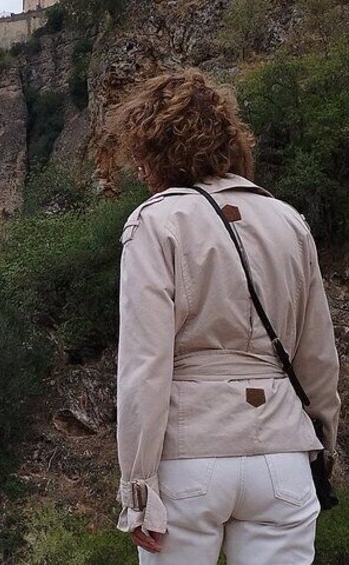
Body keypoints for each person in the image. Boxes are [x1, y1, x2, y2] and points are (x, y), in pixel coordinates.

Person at [107, 68, 341, 564]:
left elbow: (145, 368)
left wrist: (138, 486)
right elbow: (318, 357)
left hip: (189, 459)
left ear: (150, 147)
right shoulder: (289, 222)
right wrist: (323, 445)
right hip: (282, 455)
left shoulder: (156, 222)